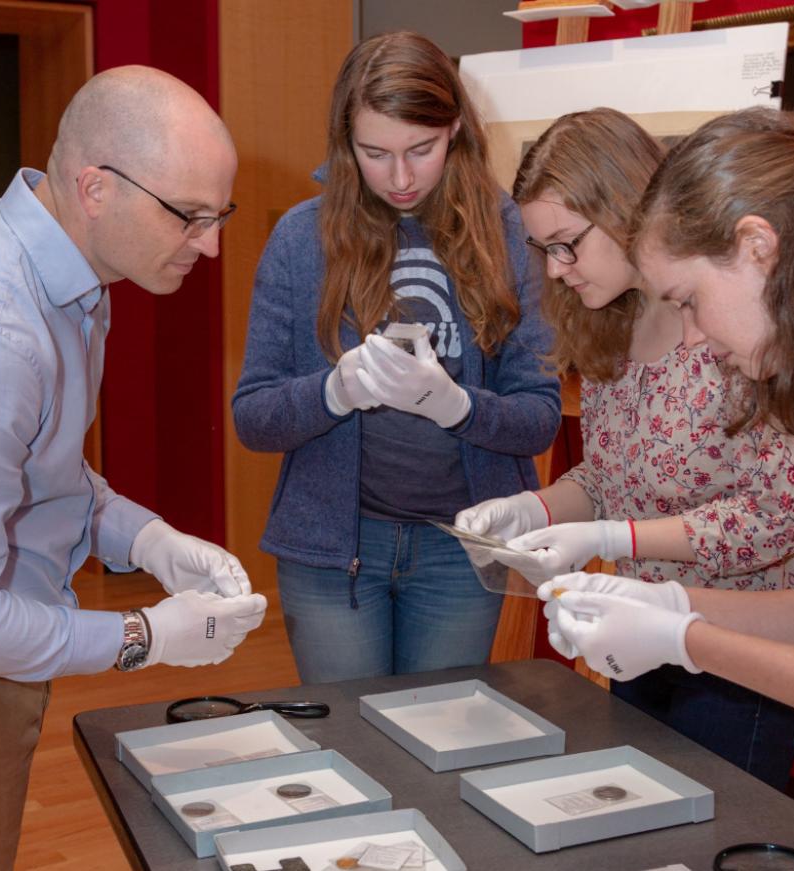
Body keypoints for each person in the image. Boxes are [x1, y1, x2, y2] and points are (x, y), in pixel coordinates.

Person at [0, 66, 268, 870]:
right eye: (189, 216)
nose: (212, 245)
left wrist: (146, 538)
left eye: (221, 215)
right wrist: (145, 636)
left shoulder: (70, 268)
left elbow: (43, 470)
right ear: (95, 186)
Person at [455, 109, 794, 789]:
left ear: (624, 206)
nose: (559, 269)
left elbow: (779, 516)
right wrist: (534, 510)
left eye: (569, 243)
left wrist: (610, 536)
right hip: (639, 628)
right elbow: (610, 473)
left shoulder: (737, 324)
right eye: (546, 251)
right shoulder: (611, 329)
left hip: (742, 648)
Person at [540, 105, 794, 741]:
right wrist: (666, 604)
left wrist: (685, 639)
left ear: (757, 247)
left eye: (690, 302)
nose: (693, 338)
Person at [232, 31, 560, 684]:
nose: (401, 177)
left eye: (422, 149)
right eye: (375, 153)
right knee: (349, 750)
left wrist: (460, 407)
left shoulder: (509, 231)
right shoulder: (302, 238)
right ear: (344, 143)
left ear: (456, 129)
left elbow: (540, 416)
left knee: (437, 748)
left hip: (461, 552)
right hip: (331, 552)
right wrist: (333, 392)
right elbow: (253, 416)